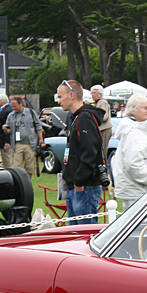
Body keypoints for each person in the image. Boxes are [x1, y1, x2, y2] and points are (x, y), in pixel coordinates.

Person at [56, 80, 104, 222]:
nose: (58, 102)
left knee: (84, 234)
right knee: (75, 234)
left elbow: (90, 151)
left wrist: (79, 181)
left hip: (85, 187)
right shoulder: (76, 117)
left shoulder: (85, 117)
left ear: (71, 95)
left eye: (60, 97)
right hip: (76, 186)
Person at [110, 94, 147, 209]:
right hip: (135, 189)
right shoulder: (133, 133)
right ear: (134, 110)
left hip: (137, 188)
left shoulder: (138, 129)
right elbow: (133, 164)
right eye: (144, 108)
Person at [2, 96, 44, 177]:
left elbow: (38, 127)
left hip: (30, 144)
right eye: (12, 106)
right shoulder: (11, 116)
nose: (13, 108)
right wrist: (5, 129)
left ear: (21, 104)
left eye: (15, 106)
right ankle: (20, 184)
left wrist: (40, 140)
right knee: (16, 166)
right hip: (17, 144)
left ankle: (27, 183)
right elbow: (8, 131)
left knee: (30, 166)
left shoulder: (31, 112)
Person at [90, 84, 114, 159]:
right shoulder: (98, 103)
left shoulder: (102, 102)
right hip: (103, 129)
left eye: (94, 93)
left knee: (103, 151)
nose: (92, 95)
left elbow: (104, 117)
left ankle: (104, 168)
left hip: (104, 129)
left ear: (100, 94)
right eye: (92, 93)